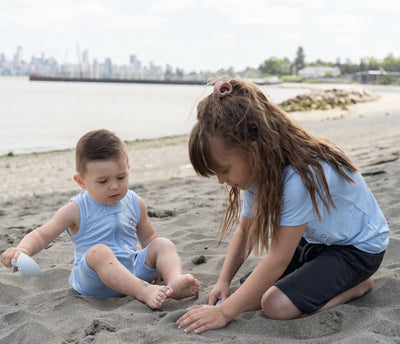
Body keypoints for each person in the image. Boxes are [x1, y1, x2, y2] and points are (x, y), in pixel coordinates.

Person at [176, 79, 389, 333]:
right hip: (318, 243)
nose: (222, 181)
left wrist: (223, 313)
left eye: (223, 170)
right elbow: (245, 233)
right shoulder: (259, 171)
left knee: (275, 305)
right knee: (249, 296)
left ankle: (359, 285)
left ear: (252, 150)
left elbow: (277, 260)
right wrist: (224, 282)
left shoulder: (302, 175)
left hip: (357, 250)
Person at [1, 129, 199, 309]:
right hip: (93, 281)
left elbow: (149, 238)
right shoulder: (76, 209)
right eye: (103, 181)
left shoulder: (134, 201)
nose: (114, 186)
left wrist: (158, 265)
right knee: (99, 251)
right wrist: (23, 250)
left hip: (130, 272)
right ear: (81, 181)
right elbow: (42, 234)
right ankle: (143, 292)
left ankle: (173, 281)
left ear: (128, 168)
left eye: (121, 177)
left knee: (162, 244)